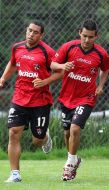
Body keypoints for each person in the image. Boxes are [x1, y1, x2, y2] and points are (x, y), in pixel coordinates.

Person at [50, 19, 109, 181]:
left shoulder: (101, 53)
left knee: (75, 129)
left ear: (96, 37)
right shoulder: (68, 47)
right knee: (66, 133)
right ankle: (74, 158)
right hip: (67, 98)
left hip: (86, 98)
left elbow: (105, 69)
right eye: (84, 36)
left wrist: (100, 85)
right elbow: (53, 65)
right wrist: (63, 66)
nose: (86, 40)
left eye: (90, 37)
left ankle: (69, 166)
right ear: (79, 33)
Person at [0, 21, 60, 183]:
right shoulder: (17, 47)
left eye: (35, 32)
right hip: (19, 97)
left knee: (37, 140)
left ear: (41, 35)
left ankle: (45, 138)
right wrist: (3, 78)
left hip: (40, 100)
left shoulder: (47, 52)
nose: (31, 34)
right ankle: (15, 174)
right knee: (13, 133)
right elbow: (13, 64)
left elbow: (60, 71)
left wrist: (45, 81)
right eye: (29, 30)